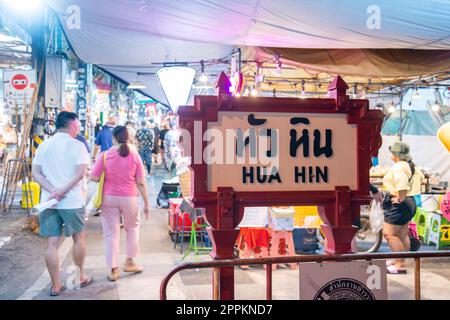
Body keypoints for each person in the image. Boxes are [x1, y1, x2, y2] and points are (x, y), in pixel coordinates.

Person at [32, 111, 93, 296]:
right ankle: (80, 276)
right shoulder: (78, 146)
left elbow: (36, 173)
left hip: (49, 203)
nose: (79, 129)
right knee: (79, 238)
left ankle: (56, 285)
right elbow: (81, 173)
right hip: (72, 201)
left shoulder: (44, 145)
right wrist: (62, 191)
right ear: (72, 125)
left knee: (51, 244)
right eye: (78, 126)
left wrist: (52, 191)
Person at [90, 126, 150, 281]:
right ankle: (130, 262)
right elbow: (141, 182)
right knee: (132, 228)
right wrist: (147, 203)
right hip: (129, 198)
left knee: (111, 234)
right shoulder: (134, 154)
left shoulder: (104, 155)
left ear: (113, 138)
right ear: (127, 137)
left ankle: (113, 270)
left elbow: (94, 178)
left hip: (109, 198)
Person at [381, 141, 424, 274]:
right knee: (402, 234)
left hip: (400, 203)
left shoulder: (399, 166)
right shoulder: (411, 165)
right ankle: (399, 261)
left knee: (389, 234)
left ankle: (400, 264)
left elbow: (402, 183)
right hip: (410, 202)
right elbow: (421, 178)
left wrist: (399, 197)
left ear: (396, 154)